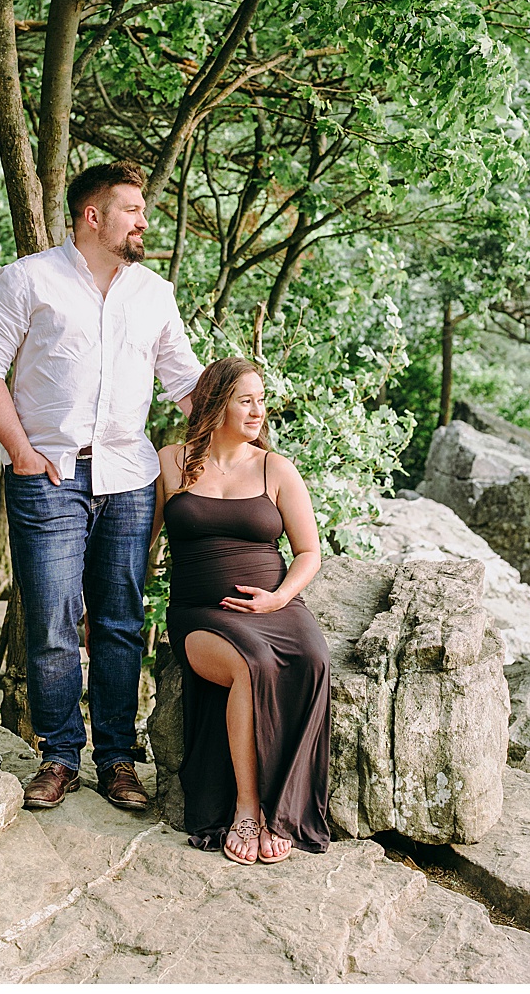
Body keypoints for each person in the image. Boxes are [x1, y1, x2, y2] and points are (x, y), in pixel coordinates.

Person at [0, 160, 204, 813]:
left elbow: (185, 383)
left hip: (129, 478)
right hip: (49, 475)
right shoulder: (27, 280)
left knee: (122, 620)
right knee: (50, 619)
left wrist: (241, 433)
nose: (143, 220)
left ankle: (118, 760)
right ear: (92, 215)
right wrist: (19, 450)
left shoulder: (154, 291)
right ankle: (61, 754)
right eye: (131, 208)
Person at [150, 357, 329, 864]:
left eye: (261, 399)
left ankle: (281, 814)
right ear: (215, 403)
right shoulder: (171, 461)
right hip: (200, 613)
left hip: (275, 607)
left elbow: (309, 553)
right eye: (245, 400)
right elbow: (141, 546)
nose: (258, 411)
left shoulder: (276, 468)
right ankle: (247, 812)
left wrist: (279, 598)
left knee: (313, 660)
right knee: (252, 665)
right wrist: (108, 609)